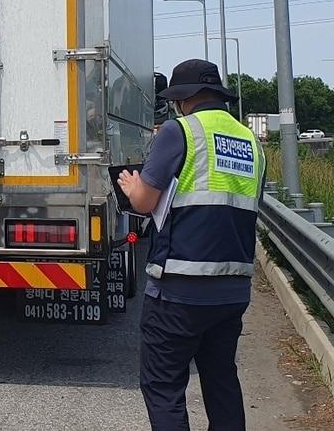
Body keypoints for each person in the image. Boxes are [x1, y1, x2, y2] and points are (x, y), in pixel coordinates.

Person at [115, 59, 264, 431]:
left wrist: (133, 187)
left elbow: (147, 202)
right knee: (221, 382)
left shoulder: (179, 131)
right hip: (233, 287)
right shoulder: (251, 142)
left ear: (186, 99)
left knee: (163, 386)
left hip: (180, 287)